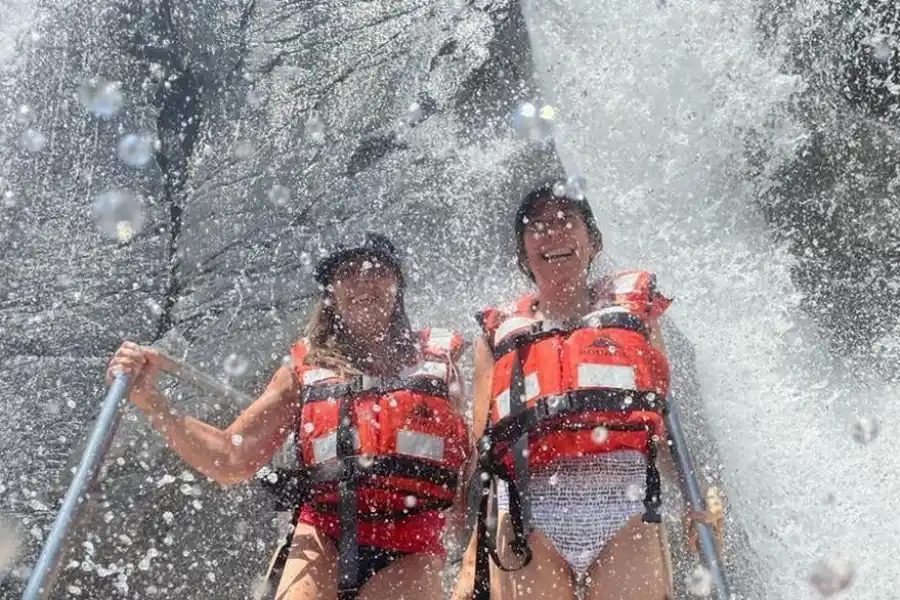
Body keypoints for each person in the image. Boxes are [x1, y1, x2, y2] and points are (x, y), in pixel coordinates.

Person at [108, 233, 472, 600]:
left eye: (376, 269)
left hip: (413, 539)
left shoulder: (444, 363)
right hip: (324, 533)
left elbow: (479, 459)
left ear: (398, 285)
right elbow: (230, 459)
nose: (363, 280)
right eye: (347, 273)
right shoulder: (304, 371)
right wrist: (152, 403)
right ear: (331, 294)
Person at [453, 181, 723, 600]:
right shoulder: (497, 337)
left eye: (566, 221)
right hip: (528, 513)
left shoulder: (634, 315)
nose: (553, 233)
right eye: (537, 226)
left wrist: (697, 495)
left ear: (592, 241)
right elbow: (482, 450)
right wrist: (473, 558)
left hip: (625, 506)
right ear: (523, 251)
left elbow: (665, 418)